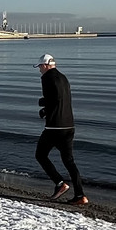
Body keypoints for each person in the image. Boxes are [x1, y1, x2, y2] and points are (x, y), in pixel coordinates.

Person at [34, 53, 87, 204]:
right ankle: (80, 195)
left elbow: (53, 98)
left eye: (40, 67)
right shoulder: (64, 77)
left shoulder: (47, 78)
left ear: (45, 66)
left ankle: (60, 183)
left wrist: (43, 105)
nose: (39, 70)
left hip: (55, 126)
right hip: (69, 125)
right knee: (69, 161)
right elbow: (62, 98)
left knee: (40, 155)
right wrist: (46, 107)